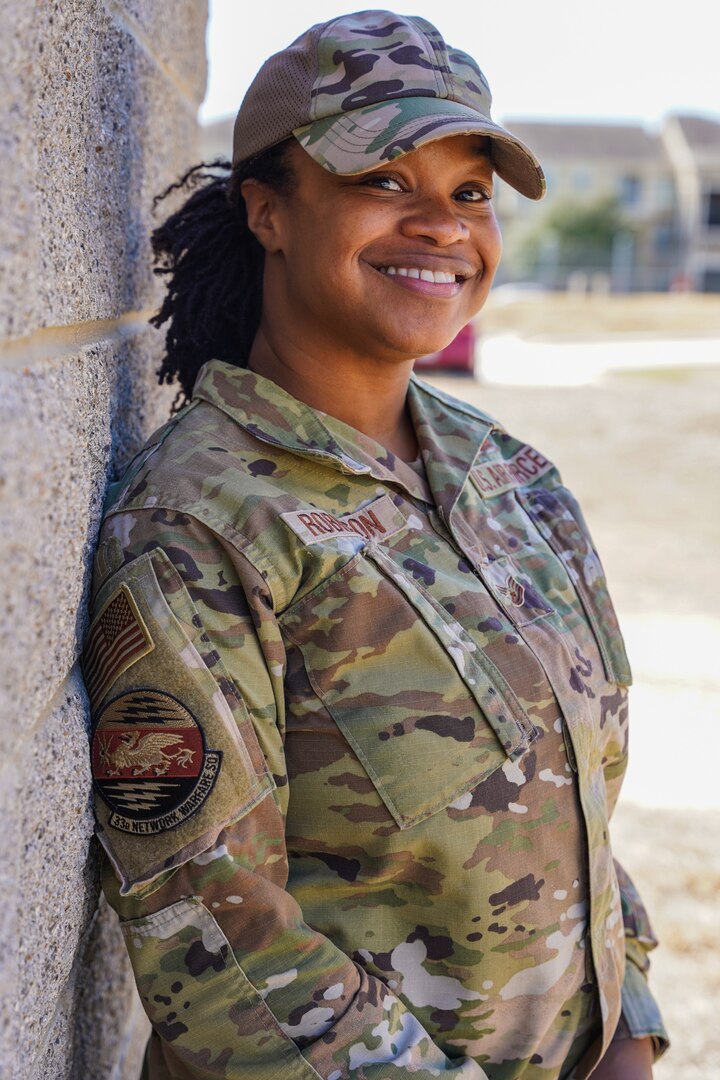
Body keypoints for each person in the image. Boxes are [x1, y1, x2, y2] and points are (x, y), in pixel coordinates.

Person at [82, 10, 668, 1078]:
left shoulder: (510, 476)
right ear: (267, 210)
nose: (442, 225)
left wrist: (628, 1032)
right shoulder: (202, 523)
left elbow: (575, 801)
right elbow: (212, 938)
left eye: (470, 192)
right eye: (385, 181)